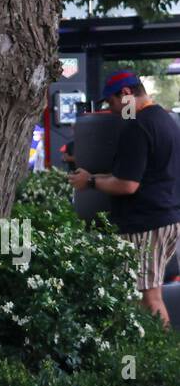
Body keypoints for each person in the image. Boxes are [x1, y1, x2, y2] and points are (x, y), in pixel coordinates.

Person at [69, 70, 180, 326]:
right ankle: (149, 353)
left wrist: (90, 182)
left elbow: (128, 185)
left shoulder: (138, 126)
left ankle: (158, 358)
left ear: (127, 94)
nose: (112, 109)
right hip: (162, 219)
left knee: (149, 298)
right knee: (146, 294)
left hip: (146, 225)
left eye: (112, 102)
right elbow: (134, 174)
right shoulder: (163, 119)